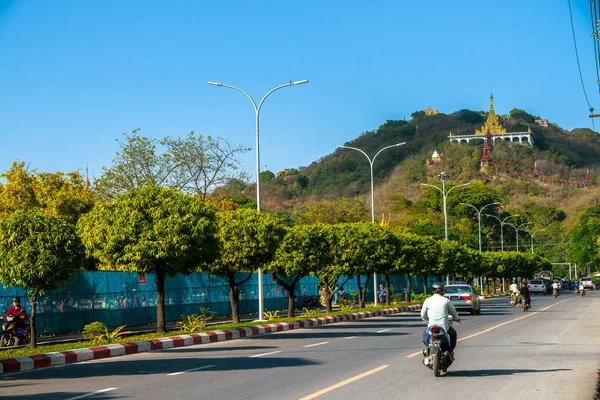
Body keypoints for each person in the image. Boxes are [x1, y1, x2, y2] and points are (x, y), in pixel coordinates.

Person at [420, 282, 460, 354]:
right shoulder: (446, 301)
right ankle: (450, 351)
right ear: (442, 290)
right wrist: (456, 318)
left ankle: (428, 348)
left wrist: (425, 319)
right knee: (453, 333)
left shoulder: (427, 300)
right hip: (444, 327)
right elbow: (454, 314)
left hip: (431, 327)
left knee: (424, 335)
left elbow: (423, 315)